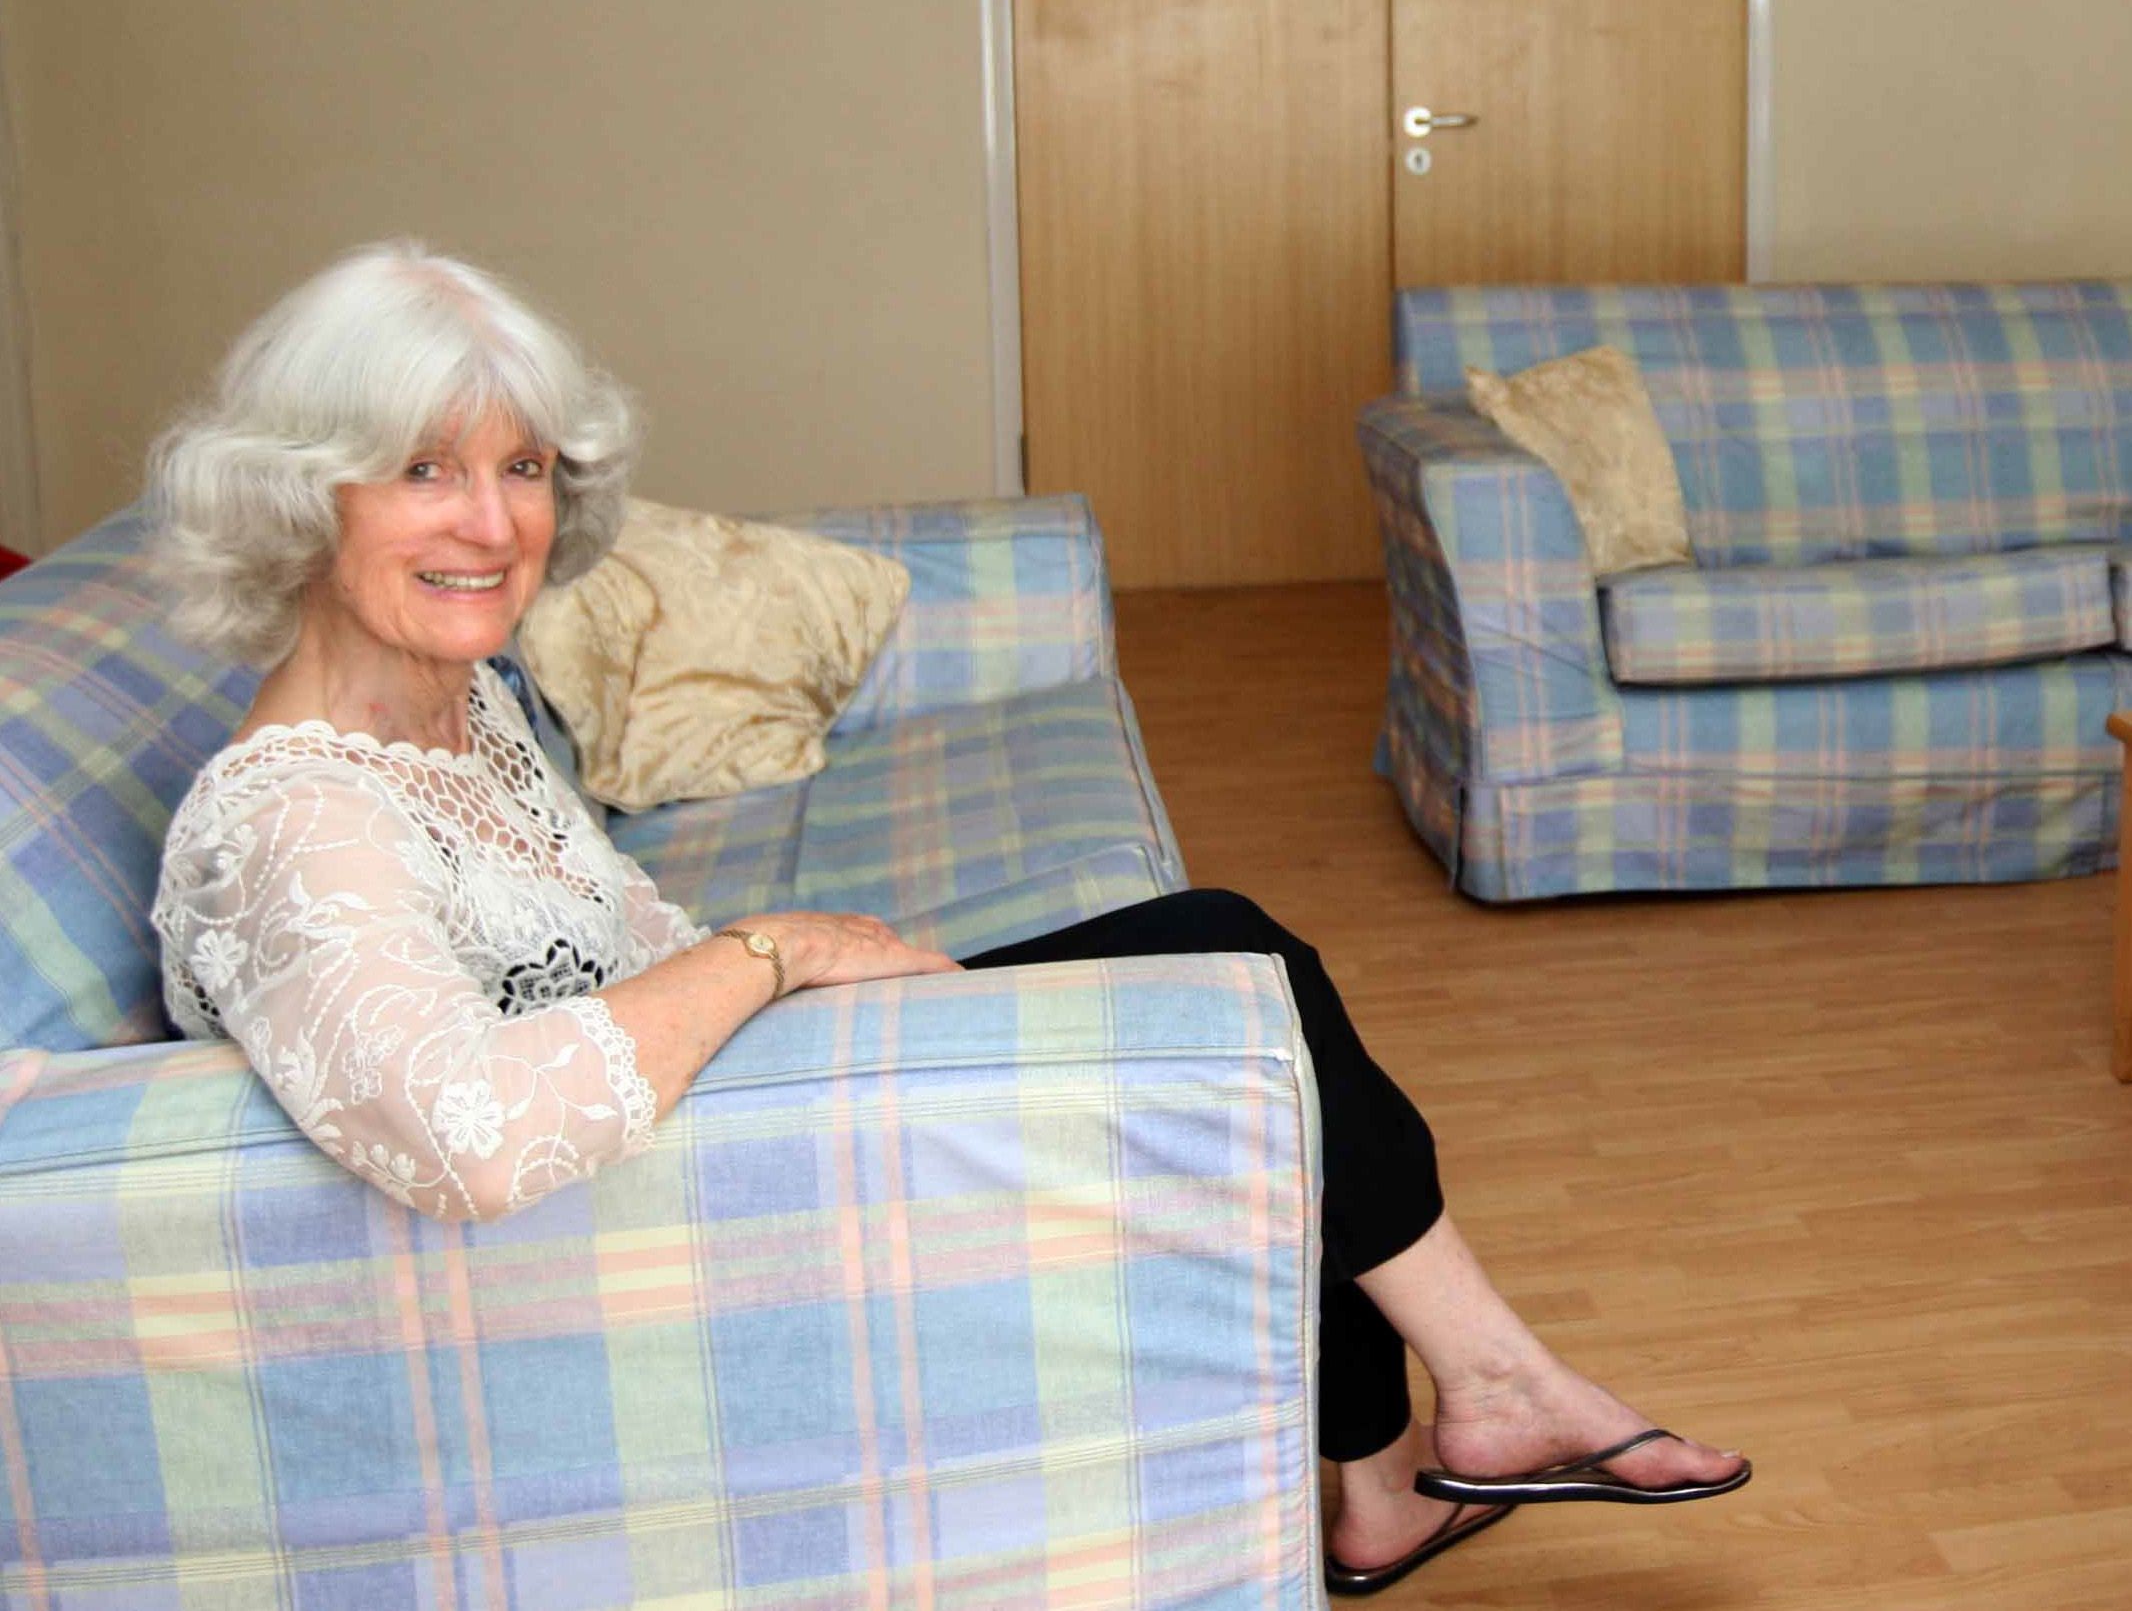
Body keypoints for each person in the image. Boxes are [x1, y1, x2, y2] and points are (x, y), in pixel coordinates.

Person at [150, 241, 1750, 1599]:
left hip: (717, 1106)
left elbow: (610, 932)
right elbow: (472, 1135)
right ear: (305, 500)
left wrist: (794, 974)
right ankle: (1481, 1396)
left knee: (1234, 961)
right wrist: (771, 956)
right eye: (425, 470)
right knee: (1239, 976)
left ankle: (1416, 1453)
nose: (493, 526)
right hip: (680, 1214)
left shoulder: (453, 711)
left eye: (516, 468)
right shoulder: (299, 813)